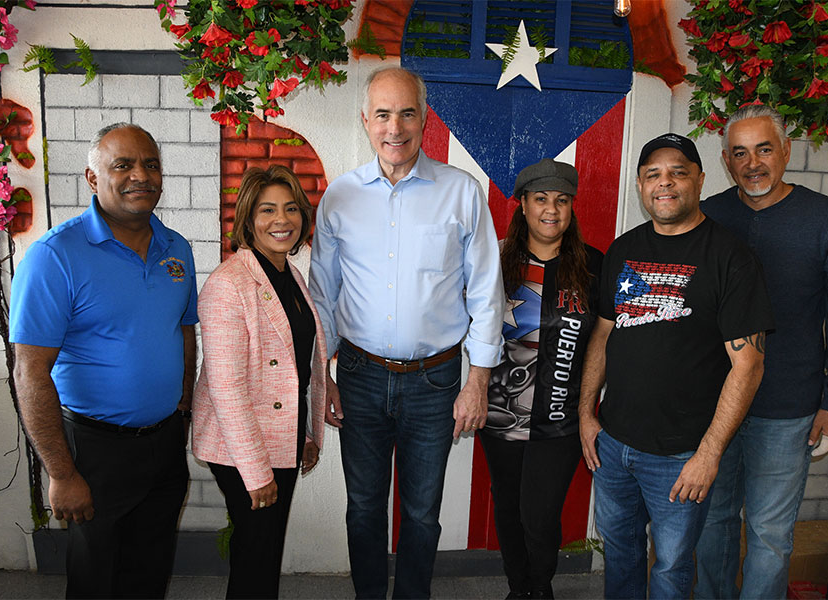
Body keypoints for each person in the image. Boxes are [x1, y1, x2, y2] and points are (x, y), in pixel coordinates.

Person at [309, 65, 504, 599]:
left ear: (424, 119)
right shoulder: (340, 197)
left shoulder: (462, 193)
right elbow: (322, 292)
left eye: (406, 113)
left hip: (435, 382)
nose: (394, 128)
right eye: (382, 115)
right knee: (363, 507)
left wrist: (478, 380)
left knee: (421, 513)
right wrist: (323, 376)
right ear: (365, 121)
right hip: (358, 376)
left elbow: (485, 291)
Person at [577, 133, 774, 599]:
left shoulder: (730, 257)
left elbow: (748, 366)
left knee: (670, 566)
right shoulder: (623, 250)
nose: (664, 183)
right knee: (620, 552)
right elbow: (603, 334)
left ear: (700, 180)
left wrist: (708, 454)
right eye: (653, 174)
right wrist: (586, 413)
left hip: (680, 455)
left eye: (677, 173)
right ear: (641, 186)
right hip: (614, 445)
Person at [9, 123, 197, 598]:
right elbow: (30, 371)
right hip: (93, 450)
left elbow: (183, 329)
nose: (141, 175)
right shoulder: (55, 256)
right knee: (95, 578)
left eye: (151, 164)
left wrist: (183, 408)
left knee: (150, 569)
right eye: (123, 165)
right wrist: (61, 473)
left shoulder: (177, 249)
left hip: (163, 443)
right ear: (93, 178)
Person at [695, 104, 828, 600]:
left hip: (789, 408)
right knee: (713, 524)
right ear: (725, 160)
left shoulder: (827, 218)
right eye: (740, 153)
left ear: (786, 151)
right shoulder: (709, 217)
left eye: (764, 149)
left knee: (769, 535)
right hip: (713, 405)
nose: (753, 164)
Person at [192, 166, 327, 599]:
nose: (281, 220)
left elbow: (294, 369)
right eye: (268, 210)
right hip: (242, 448)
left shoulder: (290, 275)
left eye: (291, 209)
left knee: (265, 548)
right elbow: (226, 390)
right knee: (256, 552)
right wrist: (256, 473)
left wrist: (304, 435)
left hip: (280, 436)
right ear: (249, 220)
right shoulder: (228, 285)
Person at [482, 158, 603, 600]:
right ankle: (520, 589)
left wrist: (589, 409)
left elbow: (603, 342)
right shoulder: (494, 261)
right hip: (501, 415)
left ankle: (540, 586)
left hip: (561, 419)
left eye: (562, 200)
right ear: (523, 205)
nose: (551, 209)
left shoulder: (593, 266)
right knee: (509, 508)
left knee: (540, 514)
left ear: (571, 207)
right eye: (541, 199)